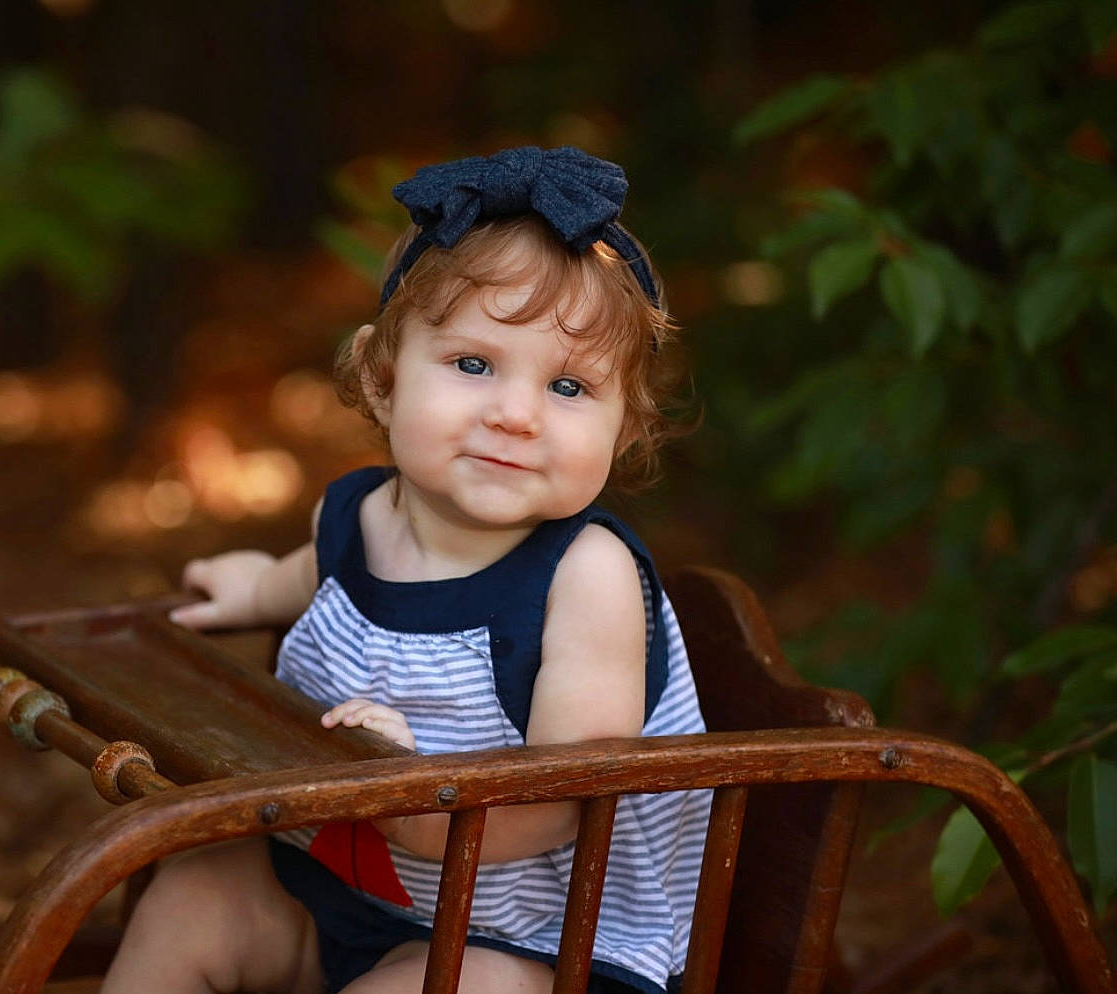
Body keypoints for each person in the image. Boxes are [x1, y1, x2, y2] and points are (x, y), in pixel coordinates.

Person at [100, 146, 710, 994]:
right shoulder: (352, 519)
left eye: (569, 388)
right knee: (194, 896)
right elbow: (315, 576)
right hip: (350, 895)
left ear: (626, 430)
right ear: (383, 381)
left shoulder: (586, 580)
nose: (517, 414)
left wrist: (405, 801)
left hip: (537, 947)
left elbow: (564, 799)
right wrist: (256, 587)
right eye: (473, 365)